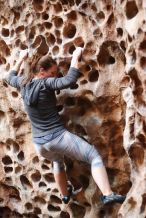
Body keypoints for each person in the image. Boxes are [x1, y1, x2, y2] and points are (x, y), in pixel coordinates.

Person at [5, 47, 126, 205]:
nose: (54, 76)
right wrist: (75, 56)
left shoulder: (23, 83)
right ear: (42, 71)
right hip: (57, 137)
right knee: (93, 156)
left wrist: (21, 58)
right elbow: (68, 80)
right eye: (53, 72)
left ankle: (64, 195)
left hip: (40, 144)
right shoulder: (46, 83)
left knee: (57, 160)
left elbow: (9, 77)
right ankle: (107, 194)